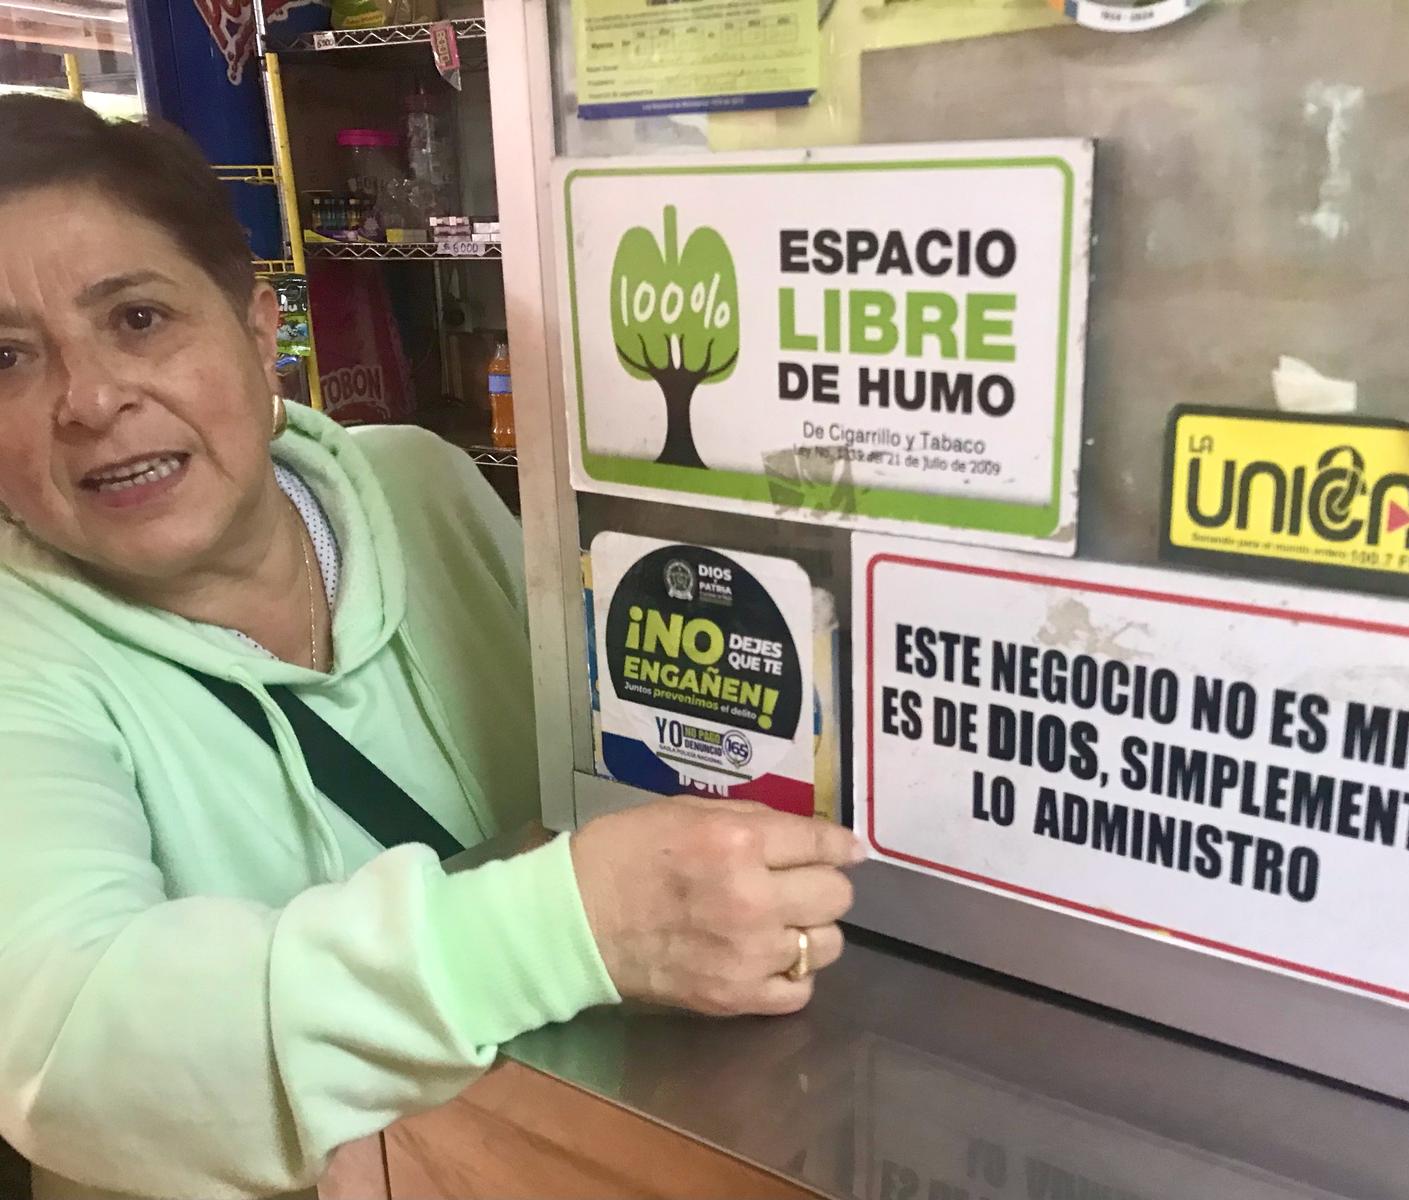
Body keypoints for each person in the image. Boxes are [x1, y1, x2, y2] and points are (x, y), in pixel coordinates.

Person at [0, 96, 859, 1200]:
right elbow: (66, 1049)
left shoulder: (420, 484)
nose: (90, 399)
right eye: (6, 358)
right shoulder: (23, 655)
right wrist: (571, 928)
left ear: (259, 334)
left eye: (137, 318)